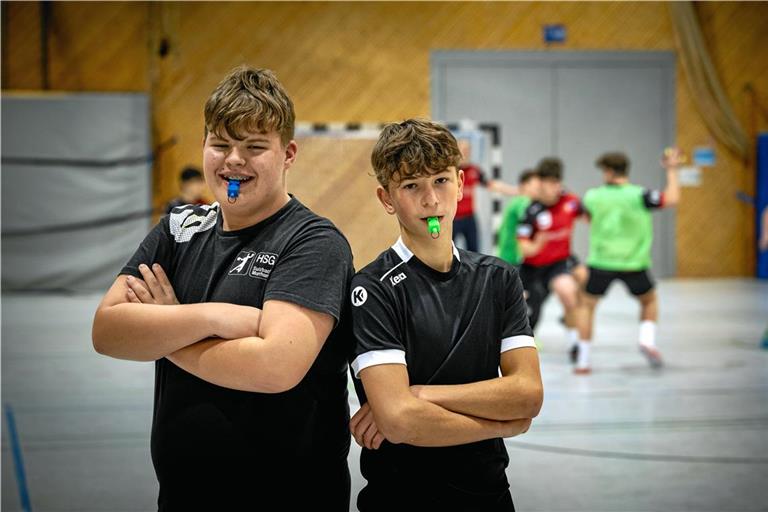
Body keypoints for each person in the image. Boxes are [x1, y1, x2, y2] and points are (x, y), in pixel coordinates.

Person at [92, 66, 354, 510]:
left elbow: (275, 368)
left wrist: (166, 330)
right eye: (220, 144)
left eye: (254, 147)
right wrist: (214, 317)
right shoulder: (178, 229)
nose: (234, 160)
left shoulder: (313, 242)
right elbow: (108, 332)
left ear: (288, 154)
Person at [348, 119, 542, 511]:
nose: (431, 200)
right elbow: (401, 420)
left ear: (461, 183)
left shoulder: (498, 279)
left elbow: (528, 394)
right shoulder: (372, 290)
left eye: (440, 181)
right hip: (400, 498)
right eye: (411, 186)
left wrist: (422, 395)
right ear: (387, 199)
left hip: (490, 495)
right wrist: (503, 423)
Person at [576, 149, 683, 374]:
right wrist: (672, 170)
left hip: (601, 262)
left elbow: (586, 218)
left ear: (607, 172)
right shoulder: (640, 195)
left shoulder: (593, 196)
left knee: (586, 306)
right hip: (634, 264)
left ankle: (583, 361)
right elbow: (672, 199)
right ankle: (647, 340)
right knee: (649, 301)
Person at [516, 158, 586, 353]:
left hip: (558, 263)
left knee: (568, 290)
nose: (554, 188)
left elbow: (588, 217)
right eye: (549, 184)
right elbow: (524, 249)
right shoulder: (531, 211)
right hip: (532, 269)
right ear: (540, 183)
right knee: (527, 311)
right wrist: (537, 244)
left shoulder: (570, 201)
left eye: (557, 183)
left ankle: (574, 343)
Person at [453, 138, 518, 252]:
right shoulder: (451, 171)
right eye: (463, 150)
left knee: (474, 251)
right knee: (448, 251)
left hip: (469, 217)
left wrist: (514, 191)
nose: (466, 153)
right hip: (453, 218)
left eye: (468, 150)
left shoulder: (474, 170)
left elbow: (492, 184)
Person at [497, 169, 540, 267]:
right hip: (511, 258)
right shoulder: (522, 201)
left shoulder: (519, 200)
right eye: (536, 186)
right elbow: (532, 215)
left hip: (509, 256)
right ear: (525, 185)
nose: (538, 189)